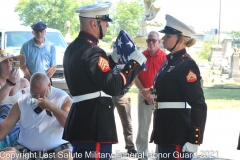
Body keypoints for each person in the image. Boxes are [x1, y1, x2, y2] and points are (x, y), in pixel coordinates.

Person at [62, 2, 146, 159]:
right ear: (94, 23)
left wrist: (112, 60)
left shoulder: (73, 48)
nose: (107, 25)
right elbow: (112, 86)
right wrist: (133, 64)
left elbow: (91, 74)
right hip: (95, 125)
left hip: (82, 121)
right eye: (105, 21)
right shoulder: (92, 50)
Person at [150, 14, 207, 159]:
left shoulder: (186, 64)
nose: (163, 39)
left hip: (177, 132)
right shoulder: (169, 62)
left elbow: (198, 103)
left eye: (168, 36)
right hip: (165, 130)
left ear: (180, 39)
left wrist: (195, 139)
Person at [0, 73, 72, 159]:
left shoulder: (62, 98)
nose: (38, 98)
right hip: (25, 149)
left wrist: (52, 107)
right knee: (4, 156)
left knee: (68, 156)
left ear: (49, 86)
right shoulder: (22, 101)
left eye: (41, 94)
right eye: (34, 94)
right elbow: (6, 125)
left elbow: (70, 125)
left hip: (57, 149)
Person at [134, 31, 166, 159]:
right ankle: (142, 155)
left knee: (160, 126)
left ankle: (160, 154)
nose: (151, 43)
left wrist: (151, 91)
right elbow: (135, 77)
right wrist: (144, 92)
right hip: (143, 96)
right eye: (149, 40)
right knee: (143, 126)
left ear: (159, 42)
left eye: (154, 40)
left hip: (160, 96)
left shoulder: (165, 57)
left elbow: (165, 79)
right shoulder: (140, 56)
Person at [111, 38, 137, 154]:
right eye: (114, 45)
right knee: (108, 122)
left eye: (117, 45)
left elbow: (133, 78)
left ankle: (130, 147)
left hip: (123, 95)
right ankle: (108, 146)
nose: (115, 47)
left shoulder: (127, 60)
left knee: (127, 123)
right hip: (109, 96)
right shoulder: (109, 59)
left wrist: (126, 87)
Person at [0, 49, 29, 149]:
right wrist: (10, 83)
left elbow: (32, 102)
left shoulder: (23, 82)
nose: (8, 63)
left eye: (11, 60)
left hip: (19, 120)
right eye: (4, 61)